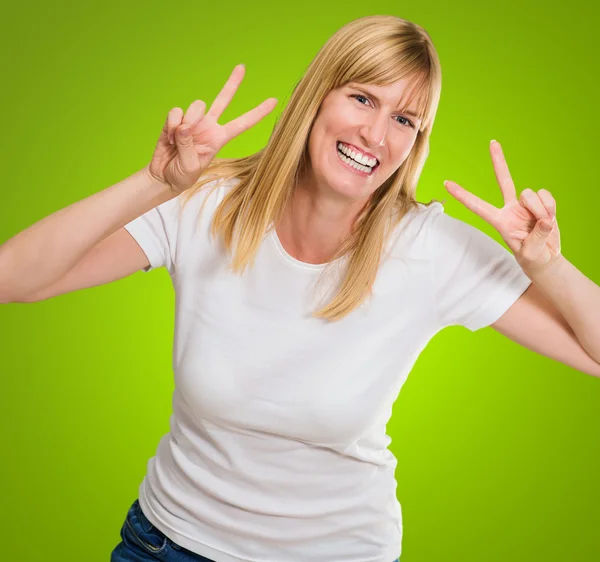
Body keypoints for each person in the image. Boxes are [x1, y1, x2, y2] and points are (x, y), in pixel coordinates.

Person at [1, 13, 599, 562]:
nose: (375, 135)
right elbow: (12, 279)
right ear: (317, 97)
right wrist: (154, 182)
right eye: (362, 98)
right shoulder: (205, 205)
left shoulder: (431, 250)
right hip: (168, 544)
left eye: (404, 120)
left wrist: (547, 267)